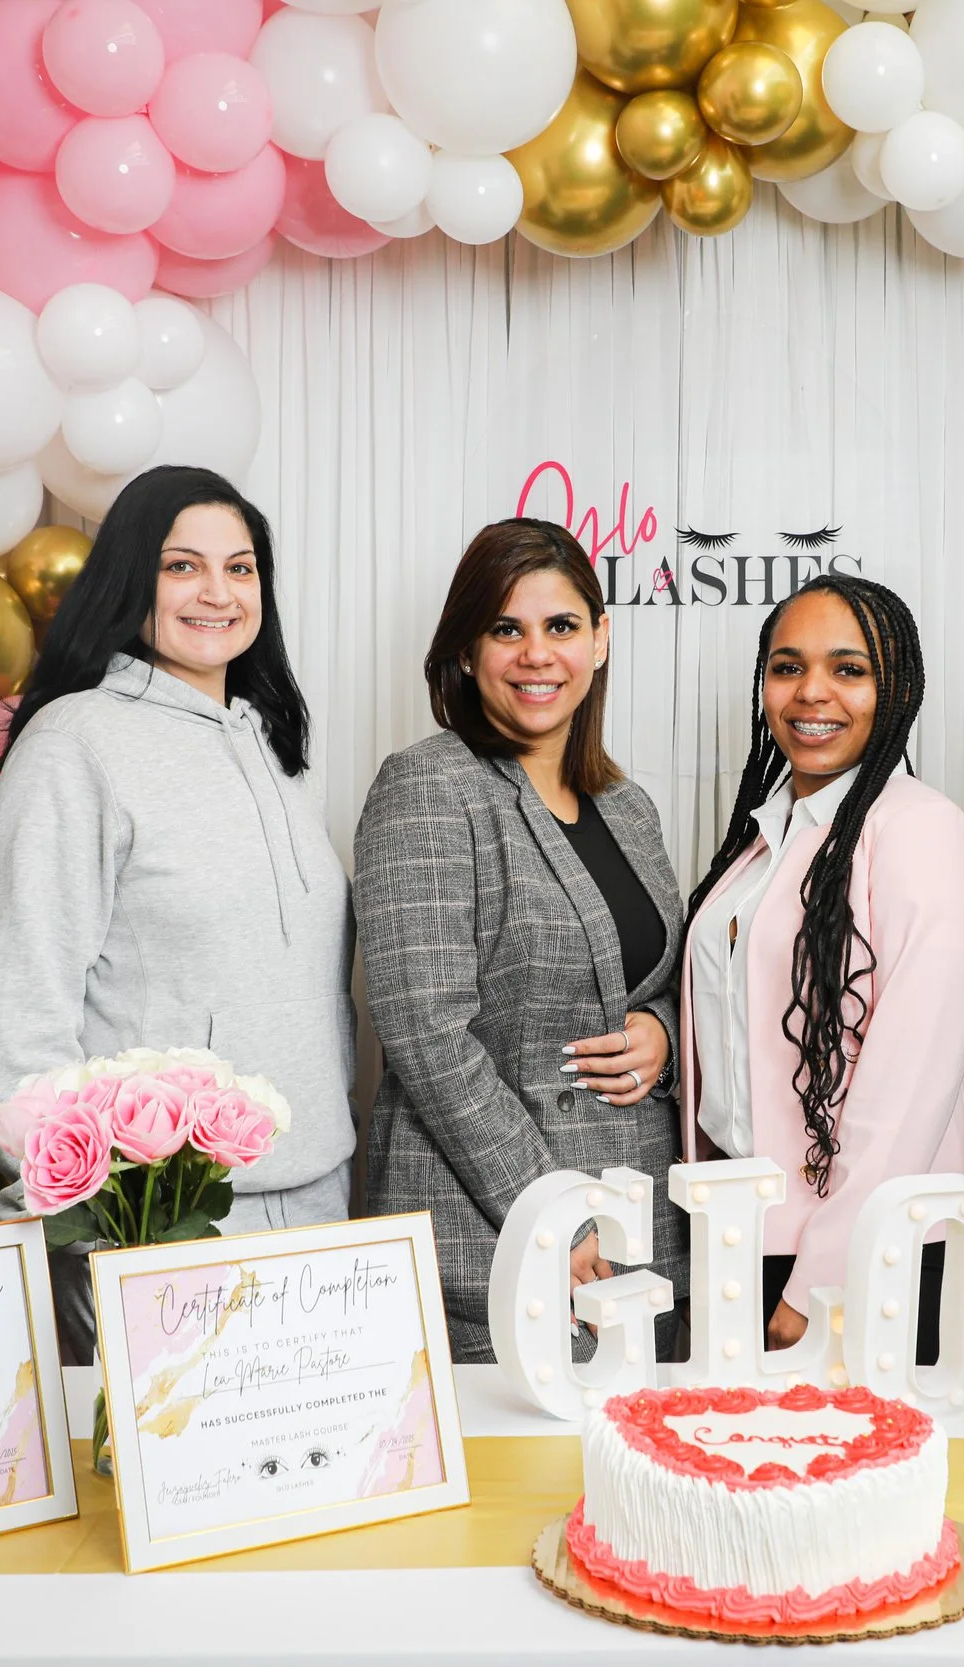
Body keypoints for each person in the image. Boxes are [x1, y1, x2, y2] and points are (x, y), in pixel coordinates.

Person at [0, 467, 355, 1358]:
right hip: (159, 1223)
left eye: (242, 567)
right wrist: (92, 1220)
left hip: (315, 1204)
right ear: (130, 581)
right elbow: (28, 1016)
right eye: (183, 566)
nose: (218, 593)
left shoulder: (270, 743)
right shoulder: (75, 743)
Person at [356, 519, 685, 1362]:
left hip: (638, 1236)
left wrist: (663, 1036)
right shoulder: (429, 786)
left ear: (601, 640)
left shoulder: (628, 808)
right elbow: (427, 1033)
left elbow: (652, 984)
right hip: (498, 1235)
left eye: (562, 626)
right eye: (507, 628)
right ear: (467, 651)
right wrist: (553, 1211)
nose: (537, 653)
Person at [681, 576, 964, 1364]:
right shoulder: (766, 839)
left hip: (871, 1251)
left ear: (900, 688)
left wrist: (824, 1275)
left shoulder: (921, 830)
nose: (812, 691)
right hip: (749, 1236)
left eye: (848, 669)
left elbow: (909, 1085)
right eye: (787, 667)